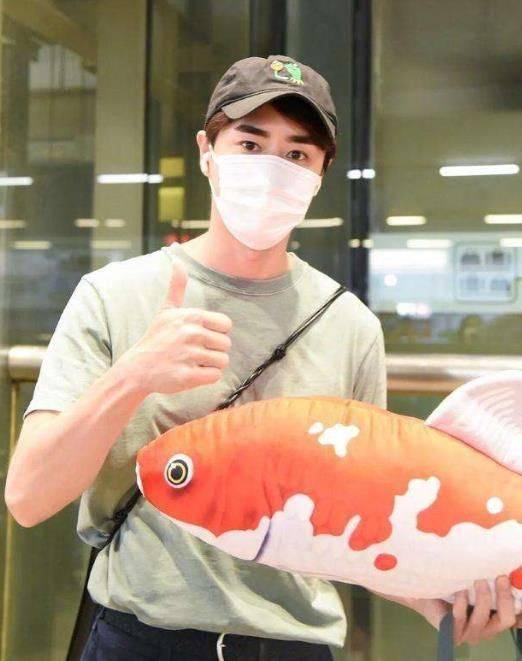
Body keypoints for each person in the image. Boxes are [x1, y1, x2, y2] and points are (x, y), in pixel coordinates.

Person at [4, 55, 519, 660]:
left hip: (294, 645)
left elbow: (358, 519)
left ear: (321, 173)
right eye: (250, 144)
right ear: (207, 151)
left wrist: (440, 596)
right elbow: (29, 498)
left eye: (297, 154)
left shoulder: (349, 325)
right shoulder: (112, 296)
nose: (273, 170)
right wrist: (134, 377)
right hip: (140, 638)